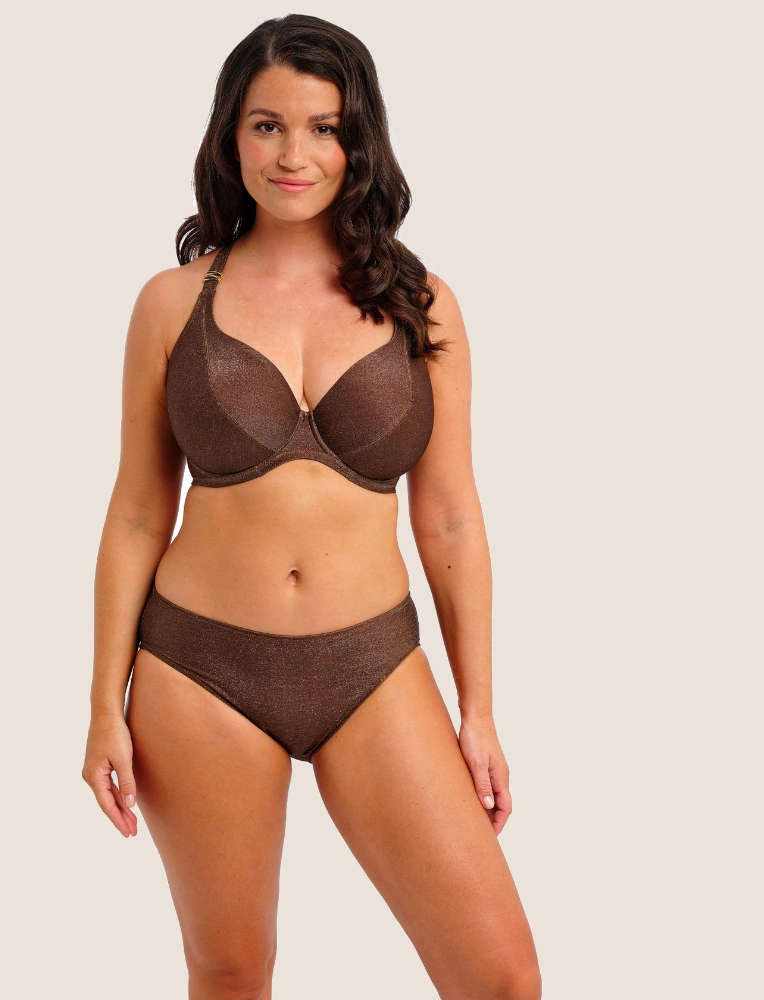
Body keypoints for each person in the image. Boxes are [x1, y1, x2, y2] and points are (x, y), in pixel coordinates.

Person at [83, 14, 541, 1000]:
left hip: (372, 665)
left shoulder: (422, 304)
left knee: (501, 978)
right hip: (198, 669)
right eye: (267, 126)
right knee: (231, 972)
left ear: (358, 140)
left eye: (323, 128)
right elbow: (136, 514)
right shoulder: (171, 303)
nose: (294, 155)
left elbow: (452, 518)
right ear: (230, 135)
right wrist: (100, 708)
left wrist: (478, 710)